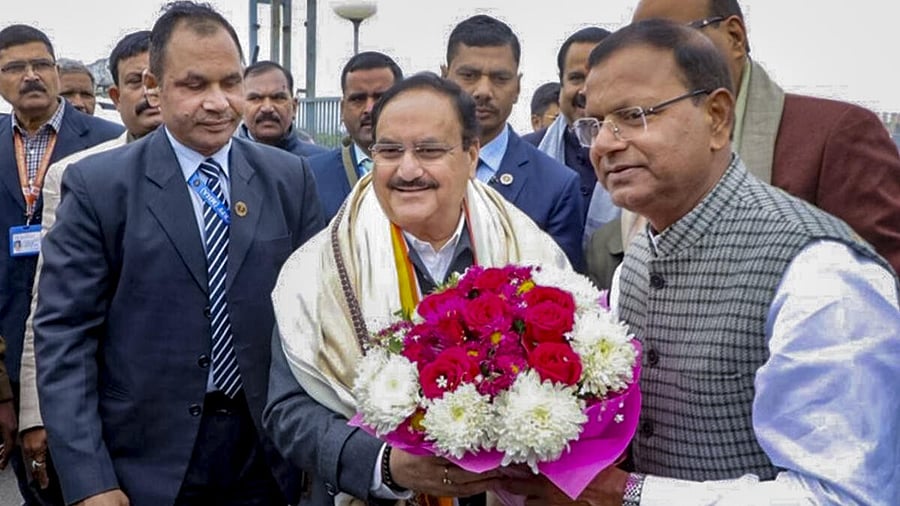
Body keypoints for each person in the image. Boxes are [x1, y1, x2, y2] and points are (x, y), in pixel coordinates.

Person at [505, 19, 900, 505]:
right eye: (594, 124)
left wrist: (625, 495)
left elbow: (844, 497)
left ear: (716, 116)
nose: (604, 144)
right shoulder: (636, 261)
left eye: (633, 115)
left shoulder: (819, 274)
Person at [33, 3, 324, 505]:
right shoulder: (100, 186)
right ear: (153, 85)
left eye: (230, 83)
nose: (217, 103)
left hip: (268, 455)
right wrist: (90, 480)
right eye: (195, 85)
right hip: (146, 465)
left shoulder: (289, 180)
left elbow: (318, 320)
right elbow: (64, 337)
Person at [263, 71, 570, 506]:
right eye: (389, 151)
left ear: (471, 153)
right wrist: (384, 465)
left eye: (429, 150)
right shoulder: (318, 269)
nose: (407, 170)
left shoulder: (532, 254)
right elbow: (287, 412)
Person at [621, 0, 900, 274]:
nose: (651, 65)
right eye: (639, 51)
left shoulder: (837, 133)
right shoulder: (641, 149)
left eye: (671, 42)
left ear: (735, 37)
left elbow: (885, 276)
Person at [16, 29, 162, 503]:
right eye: (136, 81)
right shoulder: (79, 174)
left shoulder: (244, 170)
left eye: (159, 78)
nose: (151, 92)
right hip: (116, 411)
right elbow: (52, 307)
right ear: (116, 96)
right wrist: (36, 415)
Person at [0, 23, 123, 504]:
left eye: (41, 64)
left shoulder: (111, 143)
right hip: (12, 355)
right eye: (15, 67)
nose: (31, 76)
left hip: (93, 358)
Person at [442, 15, 585, 271]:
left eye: (500, 78)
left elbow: (566, 294)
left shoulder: (556, 186)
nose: (483, 91)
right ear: (444, 77)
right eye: (469, 75)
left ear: (518, 87)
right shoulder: (411, 173)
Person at [522, 27, 615, 247]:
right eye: (576, 78)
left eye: (597, 76)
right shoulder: (526, 155)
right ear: (561, 83)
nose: (585, 90)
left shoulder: (639, 153)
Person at [307, 51, 402, 222]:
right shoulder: (311, 176)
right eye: (358, 99)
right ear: (343, 109)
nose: (369, 109)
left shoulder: (426, 170)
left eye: (380, 98)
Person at [236, 60, 328, 158]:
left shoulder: (321, 162)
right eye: (255, 98)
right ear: (240, 106)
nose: (267, 108)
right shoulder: (225, 163)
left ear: (294, 106)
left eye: (278, 98)